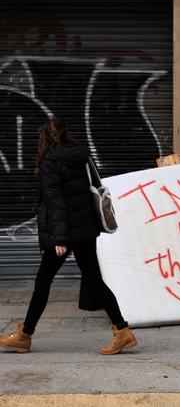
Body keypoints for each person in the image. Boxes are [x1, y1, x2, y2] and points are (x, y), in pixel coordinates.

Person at [0, 118, 137, 354]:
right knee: (94, 281)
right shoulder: (81, 156)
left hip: (66, 233)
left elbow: (57, 203)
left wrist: (60, 239)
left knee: (43, 282)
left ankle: (24, 336)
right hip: (85, 229)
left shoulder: (51, 164)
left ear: (45, 139)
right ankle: (122, 331)